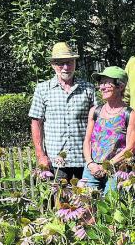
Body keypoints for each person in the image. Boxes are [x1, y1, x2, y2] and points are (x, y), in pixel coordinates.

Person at [29, 42, 95, 180]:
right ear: (53, 65)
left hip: (84, 159)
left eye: (69, 62)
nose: (66, 67)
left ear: (75, 63)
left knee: (85, 200)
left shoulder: (88, 89)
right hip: (56, 161)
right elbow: (36, 123)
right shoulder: (42, 89)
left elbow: (97, 122)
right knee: (59, 200)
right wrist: (41, 155)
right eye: (60, 63)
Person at [82, 66, 135, 193]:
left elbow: (130, 148)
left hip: (116, 170)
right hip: (92, 168)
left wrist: (108, 165)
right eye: (101, 83)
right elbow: (87, 141)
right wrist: (90, 163)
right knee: (86, 206)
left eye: (107, 83)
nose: (102, 87)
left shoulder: (130, 114)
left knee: (110, 207)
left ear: (120, 86)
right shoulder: (95, 111)